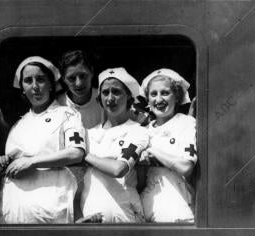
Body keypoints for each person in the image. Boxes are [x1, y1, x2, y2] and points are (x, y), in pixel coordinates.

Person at [0, 56, 86, 224]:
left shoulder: (67, 114)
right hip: (15, 209)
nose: (35, 87)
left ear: (51, 84)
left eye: (41, 79)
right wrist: (5, 163)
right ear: (22, 87)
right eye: (28, 81)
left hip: (50, 207)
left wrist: (33, 162)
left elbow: (76, 153)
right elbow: (14, 162)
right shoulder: (19, 124)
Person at [80, 67, 149, 223]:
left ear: (129, 98)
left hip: (126, 216)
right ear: (99, 99)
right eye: (105, 93)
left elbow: (118, 169)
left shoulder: (138, 132)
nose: (110, 98)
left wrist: (86, 156)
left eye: (116, 92)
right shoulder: (88, 134)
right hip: (93, 216)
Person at [140, 68, 197, 223]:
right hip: (147, 205)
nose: (159, 99)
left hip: (177, 205)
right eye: (153, 94)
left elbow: (185, 167)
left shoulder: (186, 123)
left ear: (177, 97)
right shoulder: (143, 131)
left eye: (165, 93)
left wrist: (152, 151)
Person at [57, 50, 102, 129]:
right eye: (71, 78)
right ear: (63, 78)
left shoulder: (104, 100)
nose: (79, 83)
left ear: (92, 72)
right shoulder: (57, 105)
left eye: (83, 76)